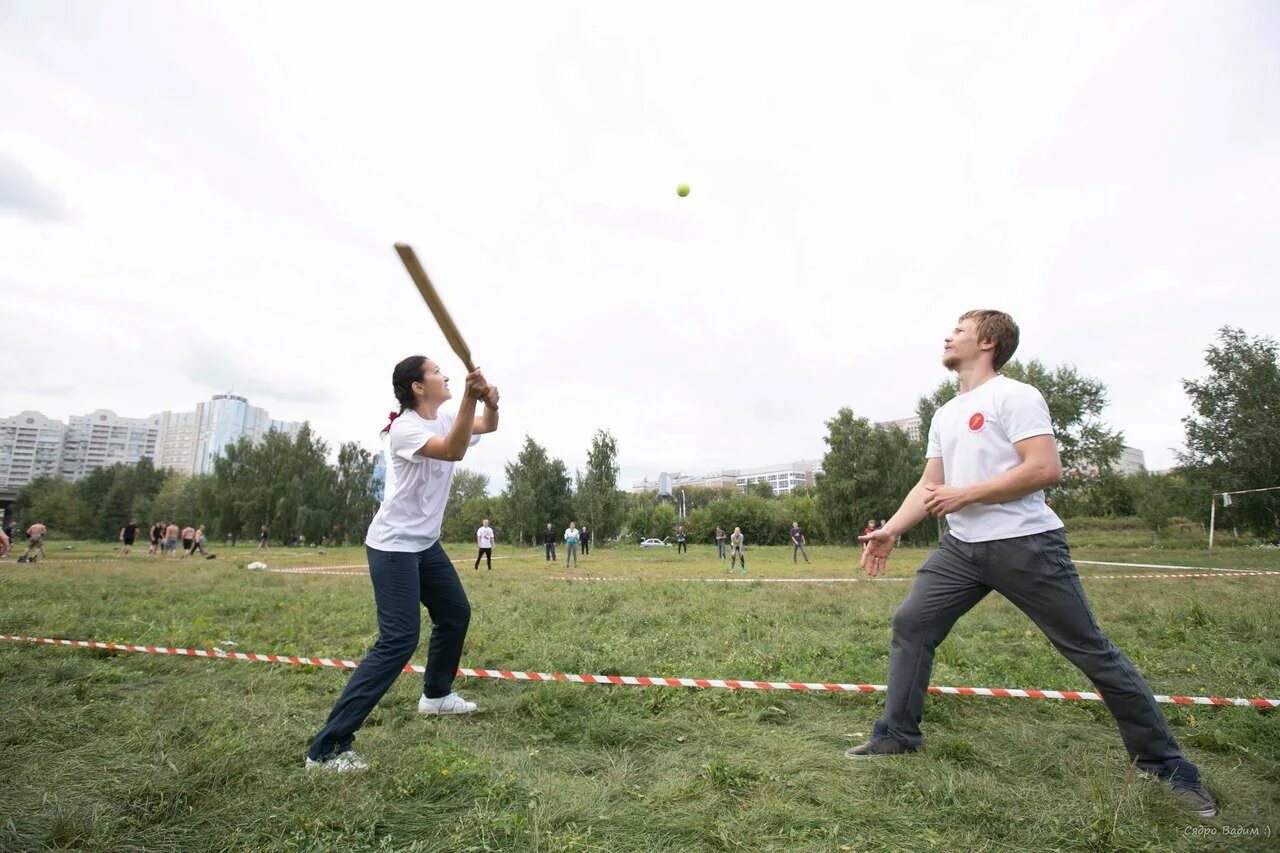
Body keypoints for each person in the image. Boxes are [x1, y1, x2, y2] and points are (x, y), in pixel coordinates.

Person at [848, 310, 1218, 819]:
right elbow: (928, 485)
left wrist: (966, 494)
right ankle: (896, 736)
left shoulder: (1015, 395)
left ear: (989, 341)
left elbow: (1045, 469)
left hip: (1027, 546)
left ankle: (1169, 768)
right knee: (911, 624)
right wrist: (893, 527)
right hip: (961, 551)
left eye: (960, 328)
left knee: (1090, 650)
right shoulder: (945, 413)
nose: (948, 334)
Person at [308, 354, 499, 773]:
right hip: (393, 544)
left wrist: (491, 402)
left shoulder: (446, 418)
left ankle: (435, 696)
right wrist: (471, 395)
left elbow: (485, 427)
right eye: (436, 372)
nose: (445, 375)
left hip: (424, 543)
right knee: (398, 639)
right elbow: (453, 452)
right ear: (417, 386)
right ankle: (327, 748)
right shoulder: (404, 429)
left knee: (454, 613)